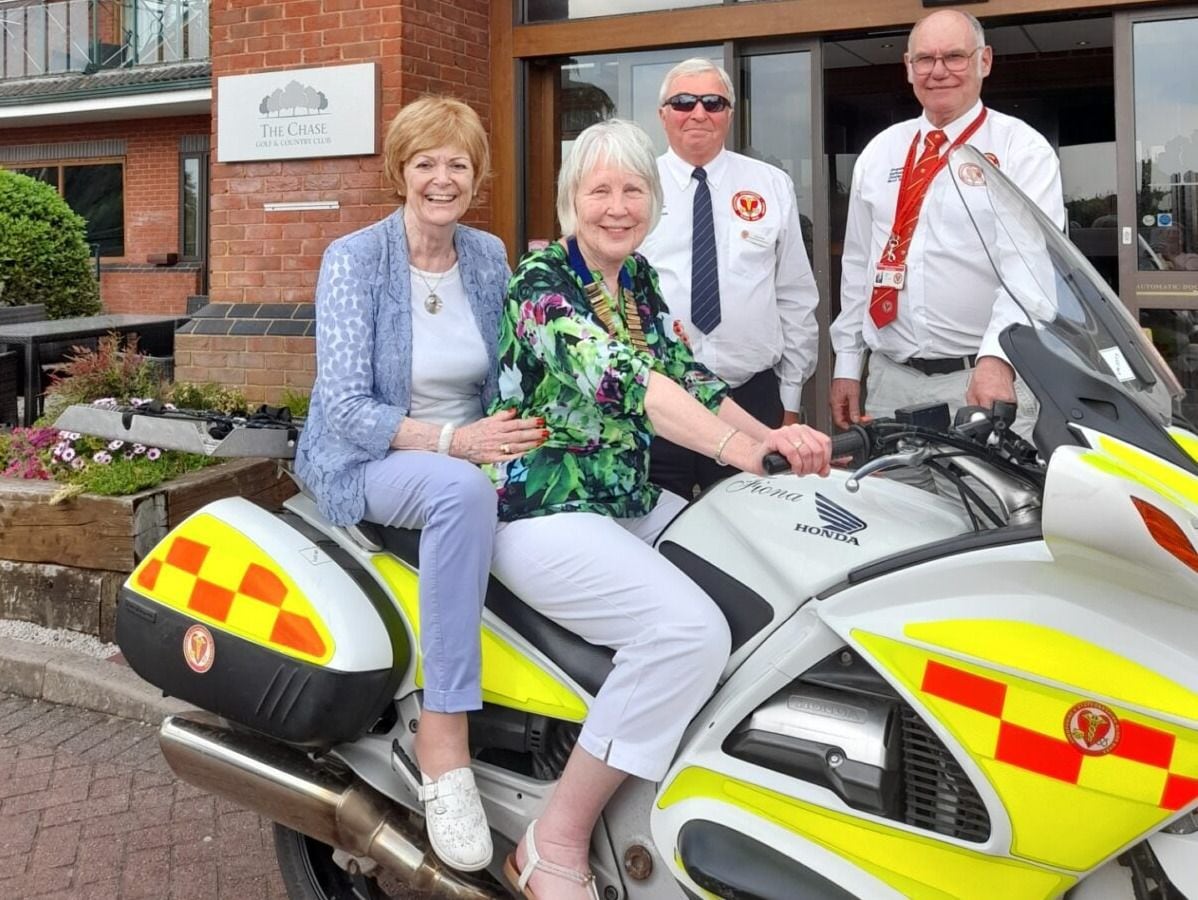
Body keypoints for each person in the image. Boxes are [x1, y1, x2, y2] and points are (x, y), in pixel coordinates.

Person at [488, 118, 832, 900]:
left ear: (653, 199)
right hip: (546, 506)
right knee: (687, 632)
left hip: (627, 498)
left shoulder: (636, 281)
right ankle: (555, 840)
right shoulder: (541, 284)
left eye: (633, 189)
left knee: (770, 588)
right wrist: (733, 451)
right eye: (598, 189)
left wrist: (773, 435)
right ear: (569, 200)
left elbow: (694, 377)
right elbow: (628, 385)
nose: (617, 205)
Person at [294, 96, 545, 872]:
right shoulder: (356, 258)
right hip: (369, 456)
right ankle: (444, 742)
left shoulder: (487, 255)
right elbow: (342, 406)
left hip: (468, 444)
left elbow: (506, 373)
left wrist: (523, 431)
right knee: (460, 493)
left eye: (458, 164)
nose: (442, 178)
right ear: (400, 172)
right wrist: (454, 444)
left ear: (478, 176)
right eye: (426, 163)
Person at [829, 9, 1066, 437]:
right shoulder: (880, 151)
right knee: (895, 503)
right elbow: (859, 266)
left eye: (955, 57)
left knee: (983, 506)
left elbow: (1032, 270)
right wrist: (848, 363)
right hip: (890, 382)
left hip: (981, 381)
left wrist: (997, 359)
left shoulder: (1022, 150)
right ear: (908, 68)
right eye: (925, 59)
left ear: (985, 61)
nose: (938, 72)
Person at [638, 58, 820, 498]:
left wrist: (789, 405)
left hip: (751, 396)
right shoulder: (636, 184)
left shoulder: (770, 184)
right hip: (658, 400)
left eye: (713, 102)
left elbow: (794, 296)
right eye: (683, 102)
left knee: (753, 531)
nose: (698, 113)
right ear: (663, 113)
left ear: (729, 114)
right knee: (659, 533)